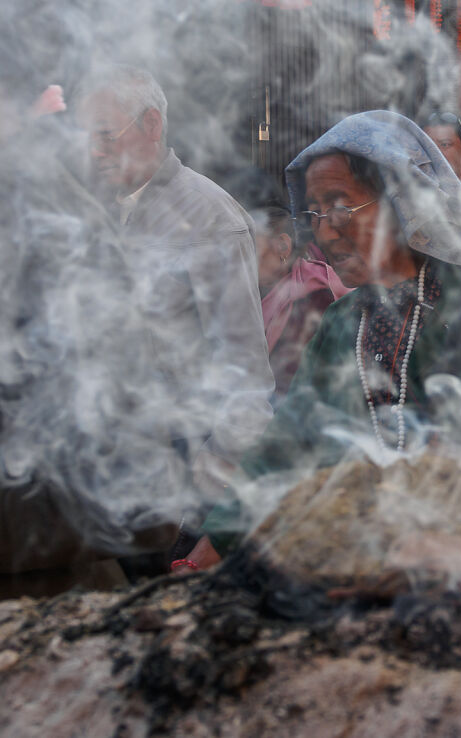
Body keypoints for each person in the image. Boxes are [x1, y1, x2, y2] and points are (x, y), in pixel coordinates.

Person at [181, 110, 461, 568]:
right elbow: (285, 447)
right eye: (314, 211)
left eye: (340, 205)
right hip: (361, 569)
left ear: (403, 201)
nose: (325, 229)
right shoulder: (342, 323)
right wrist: (205, 555)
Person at [76, 66, 275, 491]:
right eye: (88, 138)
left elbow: (247, 381)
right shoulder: (97, 214)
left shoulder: (210, 219)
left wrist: (211, 488)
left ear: (152, 124)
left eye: (106, 135)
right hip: (113, 466)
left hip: (182, 468)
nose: (95, 152)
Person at [254, 204, 348, 402]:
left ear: (282, 246)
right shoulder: (266, 288)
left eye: (250, 248)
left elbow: (288, 383)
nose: (239, 260)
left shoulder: (315, 296)